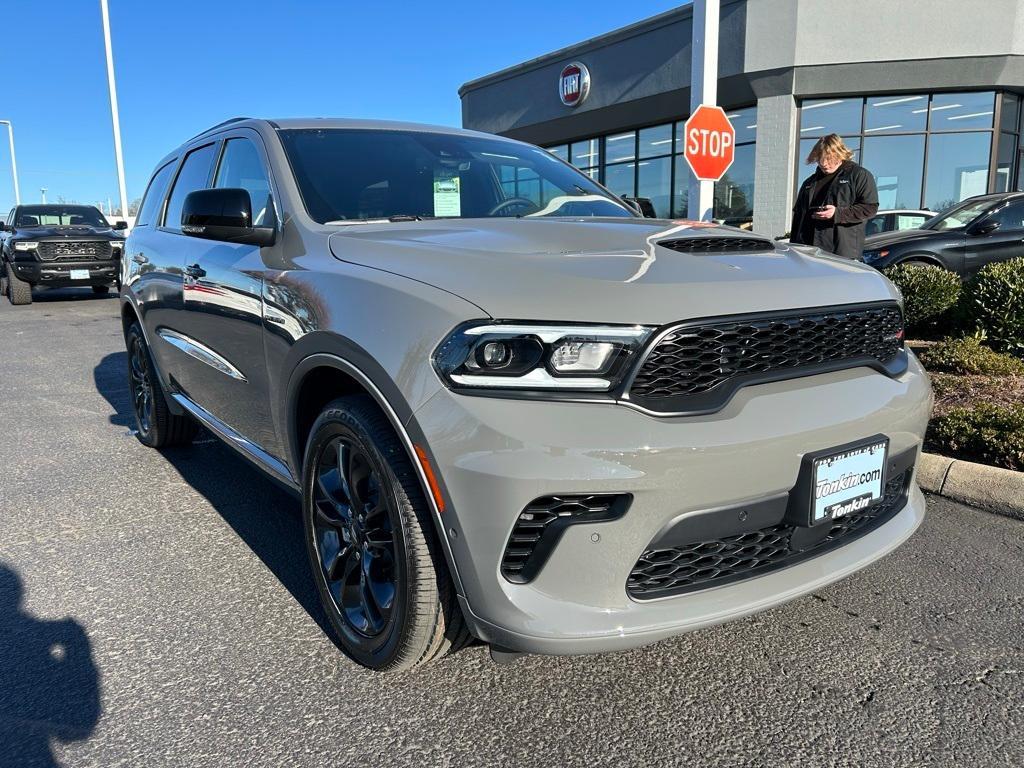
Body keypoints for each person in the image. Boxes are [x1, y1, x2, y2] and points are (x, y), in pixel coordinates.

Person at [790, 134, 879, 260]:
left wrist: (837, 213)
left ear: (839, 154)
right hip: (808, 253)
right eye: (820, 159)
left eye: (829, 159)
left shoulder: (858, 175)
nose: (824, 164)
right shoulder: (809, 183)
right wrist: (794, 247)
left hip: (842, 253)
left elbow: (870, 208)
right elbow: (798, 216)